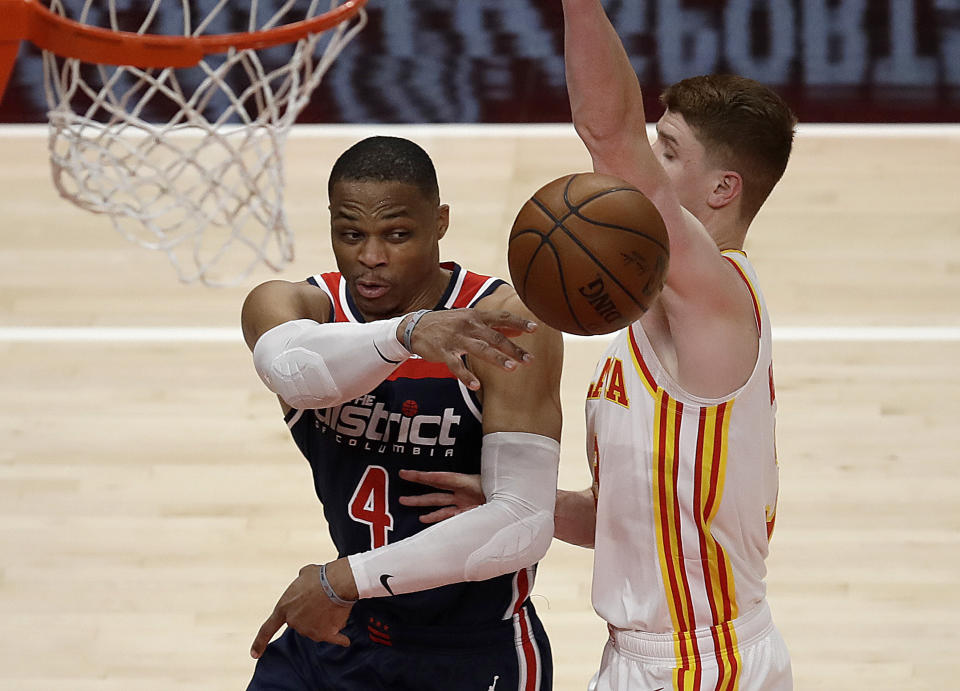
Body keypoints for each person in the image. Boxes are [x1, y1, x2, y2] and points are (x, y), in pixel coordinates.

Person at [404, 3, 797, 689]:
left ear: (722, 189)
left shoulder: (719, 302)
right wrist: (517, 501)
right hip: (642, 658)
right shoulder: (654, 323)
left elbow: (609, 135)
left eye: (667, 152)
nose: (643, 166)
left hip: (702, 666)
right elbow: (622, 515)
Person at [240, 135, 563, 690]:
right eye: (350, 234)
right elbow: (290, 369)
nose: (371, 257)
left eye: (397, 234)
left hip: (469, 648)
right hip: (343, 630)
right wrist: (406, 333)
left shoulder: (503, 321)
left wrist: (345, 580)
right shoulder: (295, 307)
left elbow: (523, 523)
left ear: (439, 222)